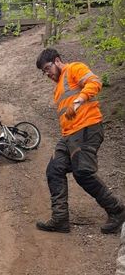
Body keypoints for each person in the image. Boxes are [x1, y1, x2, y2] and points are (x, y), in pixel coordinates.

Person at [35, 48, 125, 234]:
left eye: (47, 68)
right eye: (44, 72)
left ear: (57, 60)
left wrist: (78, 102)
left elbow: (95, 82)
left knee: (83, 172)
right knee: (54, 169)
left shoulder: (74, 68)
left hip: (87, 128)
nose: (47, 74)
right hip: (69, 136)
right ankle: (60, 219)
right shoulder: (58, 88)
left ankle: (117, 210)